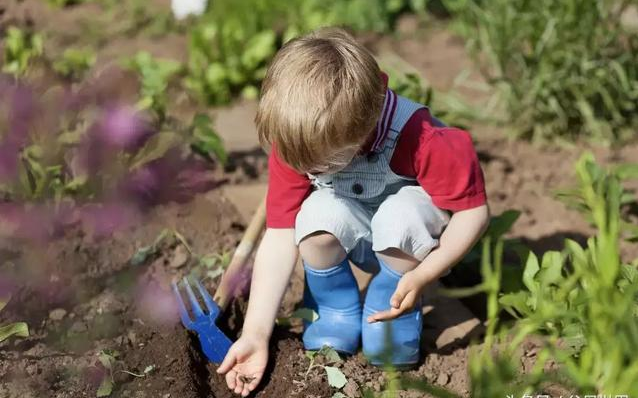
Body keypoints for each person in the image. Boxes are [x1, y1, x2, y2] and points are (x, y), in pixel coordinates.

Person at [216, 27, 489, 396]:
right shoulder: (301, 139)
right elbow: (280, 235)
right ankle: (335, 310)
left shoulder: (421, 138)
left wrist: (425, 274)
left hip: (413, 245)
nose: (312, 170)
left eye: (323, 163)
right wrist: (255, 333)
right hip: (359, 229)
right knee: (313, 216)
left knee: (402, 214)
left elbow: (473, 213)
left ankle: (392, 307)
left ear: (362, 130)